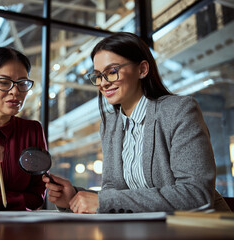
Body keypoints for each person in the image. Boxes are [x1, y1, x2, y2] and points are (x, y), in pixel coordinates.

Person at [43, 32, 231, 213]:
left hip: (202, 230)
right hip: (148, 229)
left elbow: (195, 194)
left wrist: (104, 201)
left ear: (142, 69)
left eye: (112, 71)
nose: (103, 83)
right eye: (98, 75)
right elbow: (114, 194)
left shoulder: (179, 111)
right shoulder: (110, 125)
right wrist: (75, 196)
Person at [0, 47, 47, 211]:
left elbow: (36, 196)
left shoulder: (32, 131)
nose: (15, 91)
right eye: (4, 82)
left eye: (23, 84)